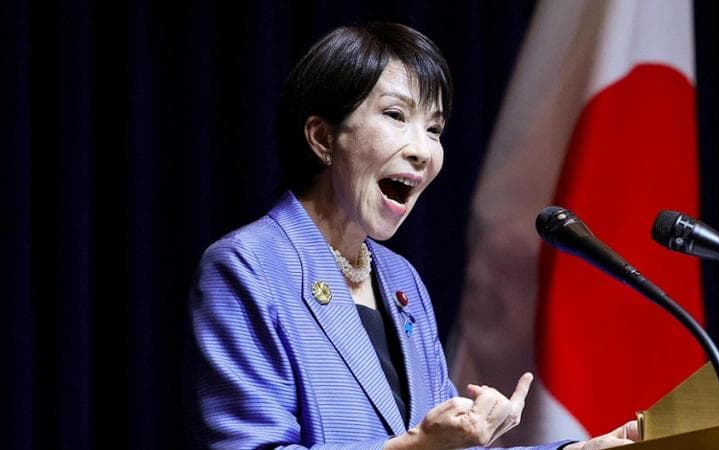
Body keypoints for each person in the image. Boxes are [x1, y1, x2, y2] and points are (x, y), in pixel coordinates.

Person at [189, 22, 638, 449]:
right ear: (323, 137)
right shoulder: (248, 267)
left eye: (434, 128)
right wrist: (419, 446)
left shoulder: (401, 280)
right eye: (396, 115)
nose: (423, 150)